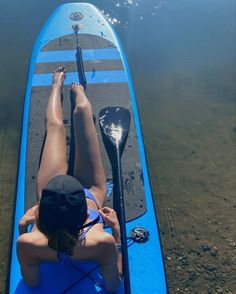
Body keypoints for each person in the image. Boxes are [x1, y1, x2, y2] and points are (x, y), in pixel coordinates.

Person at [17, 67, 122, 292]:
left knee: (58, 126)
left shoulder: (26, 245)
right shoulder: (103, 244)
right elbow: (114, 286)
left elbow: (31, 283)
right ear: (85, 214)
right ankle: (74, 90)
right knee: (65, 121)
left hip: (78, 191)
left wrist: (22, 229)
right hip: (69, 188)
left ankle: (58, 85)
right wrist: (116, 232)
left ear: (41, 215)